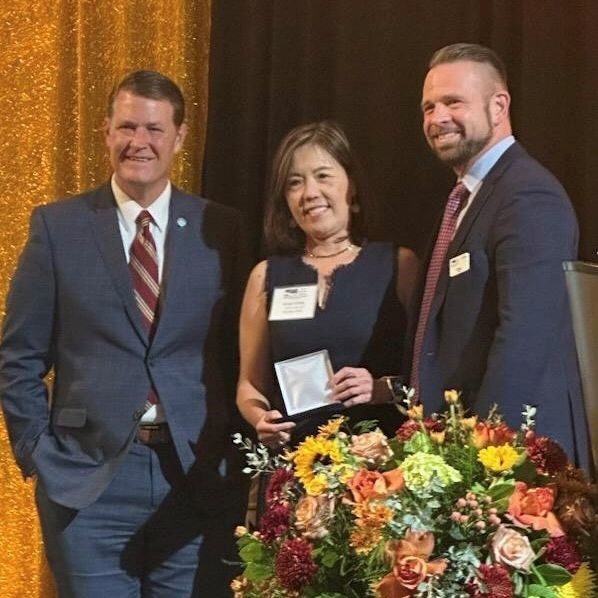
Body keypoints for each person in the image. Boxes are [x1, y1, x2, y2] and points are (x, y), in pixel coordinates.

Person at [0, 70, 248, 597]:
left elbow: (238, 352)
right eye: (128, 127)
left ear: (180, 137)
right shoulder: (58, 227)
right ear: (106, 132)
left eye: (155, 130)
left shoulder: (221, 229)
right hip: (88, 485)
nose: (140, 142)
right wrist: (37, 450)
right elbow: (19, 356)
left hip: (196, 480)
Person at [410, 42, 592, 472]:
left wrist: (483, 456)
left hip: (515, 460)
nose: (437, 119)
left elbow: (525, 337)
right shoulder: (466, 198)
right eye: (428, 107)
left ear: (499, 105)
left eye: (453, 101)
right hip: (466, 450)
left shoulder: (528, 194)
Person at [236, 121, 418, 452]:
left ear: (353, 188)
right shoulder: (265, 276)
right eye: (294, 183)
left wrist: (380, 389)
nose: (309, 193)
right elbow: (250, 385)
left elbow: (431, 373)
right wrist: (260, 418)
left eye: (323, 176)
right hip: (295, 469)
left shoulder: (398, 266)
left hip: (382, 472)